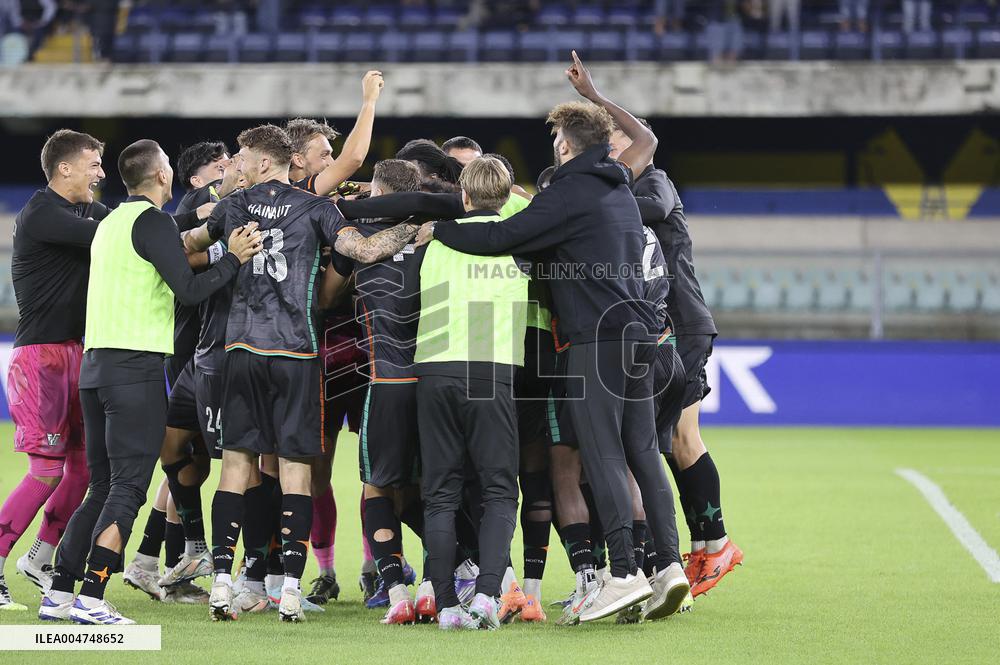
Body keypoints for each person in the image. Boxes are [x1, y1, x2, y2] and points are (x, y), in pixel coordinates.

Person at [415, 51, 690, 623]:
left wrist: (439, 229)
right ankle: (667, 565)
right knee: (642, 451)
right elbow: (647, 137)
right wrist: (595, 96)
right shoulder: (617, 180)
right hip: (640, 332)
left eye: (557, 142)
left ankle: (622, 574)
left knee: (605, 453)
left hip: (596, 340)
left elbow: (502, 238)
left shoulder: (566, 193)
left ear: (565, 147)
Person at [181, 124, 419, 623]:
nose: (236, 165)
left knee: (237, 468)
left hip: (242, 349)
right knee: (295, 471)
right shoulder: (317, 208)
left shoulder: (234, 206)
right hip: (297, 354)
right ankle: (289, 589)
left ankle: (224, 584)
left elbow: (187, 246)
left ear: (265, 162)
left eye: (243, 157)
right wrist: (414, 230)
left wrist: (203, 228)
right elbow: (367, 252)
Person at [37, 138, 262, 625]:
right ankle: (93, 598)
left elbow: (169, 269)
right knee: (129, 488)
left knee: (101, 486)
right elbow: (190, 288)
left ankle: (58, 593)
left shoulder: (109, 223)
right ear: (163, 176)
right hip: (133, 370)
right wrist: (234, 259)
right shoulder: (153, 221)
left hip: (95, 368)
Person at [609, 121, 744, 597]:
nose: (610, 154)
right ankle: (705, 546)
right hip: (670, 325)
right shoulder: (628, 186)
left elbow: (658, 208)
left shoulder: (653, 179)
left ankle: (715, 544)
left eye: (615, 145)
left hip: (681, 324)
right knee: (670, 441)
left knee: (676, 438)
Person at [412, 157, 529, 631]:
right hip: (490, 371)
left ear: (462, 197)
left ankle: (442, 605)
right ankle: (485, 597)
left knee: (440, 493)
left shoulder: (435, 243)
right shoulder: (519, 239)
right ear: (504, 201)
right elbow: (531, 205)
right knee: (499, 490)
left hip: (435, 371)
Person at [0, 130, 107, 612]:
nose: (101, 172)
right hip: (39, 358)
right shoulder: (42, 212)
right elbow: (125, 234)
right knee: (46, 470)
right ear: (65, 168)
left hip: (76, 352)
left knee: (85, 467)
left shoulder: (84, 211)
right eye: (93, 163)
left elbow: (141, 226)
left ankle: (40, 558)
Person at [317, 158, 428, 625]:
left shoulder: (356, 240)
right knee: (436, 489)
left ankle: (394, 588)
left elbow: (324, 299)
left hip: (383, 382)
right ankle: (457, 576)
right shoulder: (439, 238)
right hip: (436, 388)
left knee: (376, 487)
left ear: (376, 191)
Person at [285, 70, 384, 196]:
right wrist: (369, 102)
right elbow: (354, 158)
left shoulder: (336, 188)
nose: (331, 162)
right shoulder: (292, 192)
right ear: (298, 160)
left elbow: (382, 188)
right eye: (324, 155)